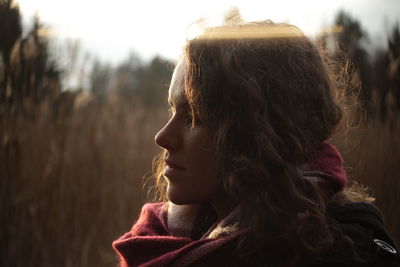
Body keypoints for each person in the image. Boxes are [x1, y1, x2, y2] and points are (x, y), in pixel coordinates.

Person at [113, 20, 400, 266]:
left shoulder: (344, 251)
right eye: (172, 110)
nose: (162, 137)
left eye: (194, 116)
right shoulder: (160, 237)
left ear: (259, 131)